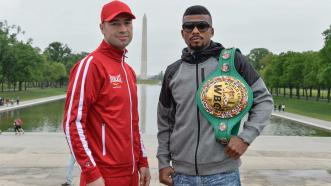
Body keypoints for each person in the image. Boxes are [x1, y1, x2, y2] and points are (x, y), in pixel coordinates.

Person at [157, 5, 273, 186]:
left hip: (223, 174)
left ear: (211, 31)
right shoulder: (173, 71)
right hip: (181, 175)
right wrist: (163, 162)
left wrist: (245, 138)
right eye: (189, 27)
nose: (195, 31)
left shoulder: (233, 62)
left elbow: (263, 101)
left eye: (202, 26)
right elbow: (165, 122)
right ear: (182, 33)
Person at [63, 1, 151, 186]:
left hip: (131, 172)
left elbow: (133, 124)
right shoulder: (91, 65)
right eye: (115, 23)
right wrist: (90, 172)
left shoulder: (128, 71)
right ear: (102, 27)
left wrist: (142, 161)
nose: (123, 29)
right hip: (104, 175)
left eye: (127, 23)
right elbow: (73, 123)